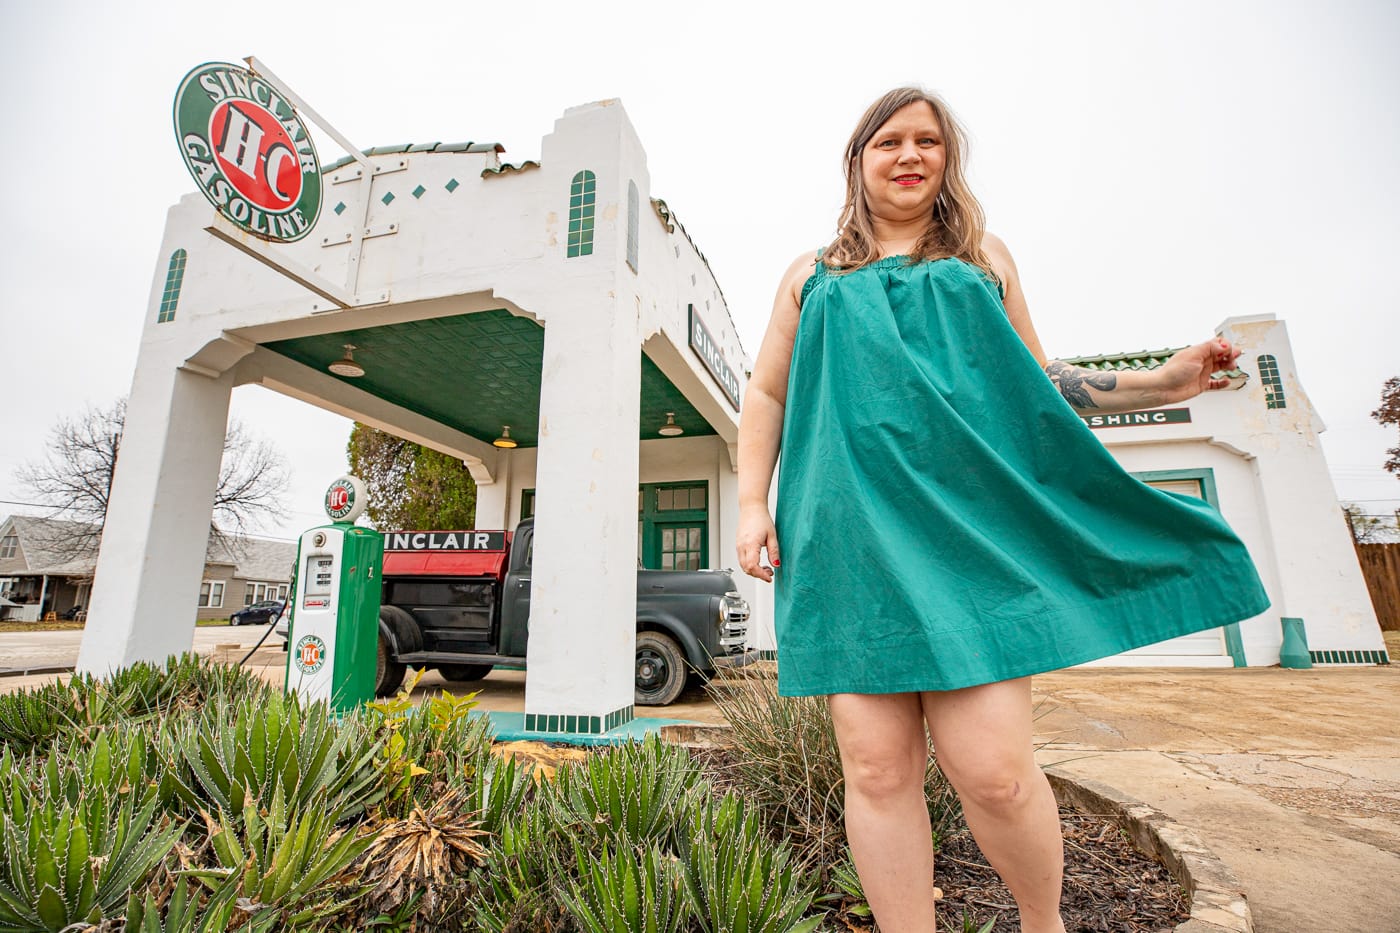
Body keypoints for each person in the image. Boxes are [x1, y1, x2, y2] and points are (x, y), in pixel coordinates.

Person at [735, 86, 1269, 933]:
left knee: (997, 774)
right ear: (858, 158)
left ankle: (1041, 923)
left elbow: (1040, 385)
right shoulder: (810, 277)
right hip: (849, 542)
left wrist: (1164, 383)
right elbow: (766, 392)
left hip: (972, 540)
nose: (909, 155)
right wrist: (752, 505)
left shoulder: (986, 259)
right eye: (889, 142)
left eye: (928, 142)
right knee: (876, 772)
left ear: (948, 160)